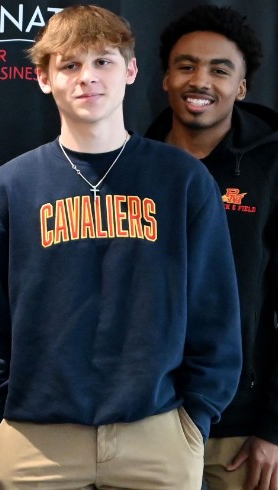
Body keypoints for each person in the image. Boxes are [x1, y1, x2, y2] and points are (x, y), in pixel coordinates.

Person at [0, 6, 241, 488]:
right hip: (34, 441)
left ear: (130, 71)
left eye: (103, 62)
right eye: (69, 65)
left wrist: (195, 419)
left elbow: (215, 310)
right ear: (45, 78)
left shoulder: (182, 181)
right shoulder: (9, 188)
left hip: (158, 433)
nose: (87, 77)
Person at [145, 6, 278, 489]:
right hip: (144, 419)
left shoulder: (270, 169)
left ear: (241, 87)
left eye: (220, 70)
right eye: (186, 66)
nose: (200, 80)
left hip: (240, 434)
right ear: (165, 78)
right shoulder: (131, 163)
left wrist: (272, 428)